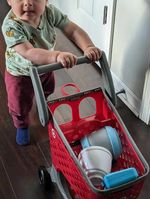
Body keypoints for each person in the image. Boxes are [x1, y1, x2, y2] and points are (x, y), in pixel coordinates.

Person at [2, 0, 102, 146]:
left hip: (44, 68)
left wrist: (88, 47)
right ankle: (22, 124)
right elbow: (28, 51)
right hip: (20, 73)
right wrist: (56, 56)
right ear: (9, 1)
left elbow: (72, 29)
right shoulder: (11, 26)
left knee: (48, 88)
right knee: (19, 104)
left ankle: (43, 101)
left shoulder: (50, 12)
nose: (28, 3)